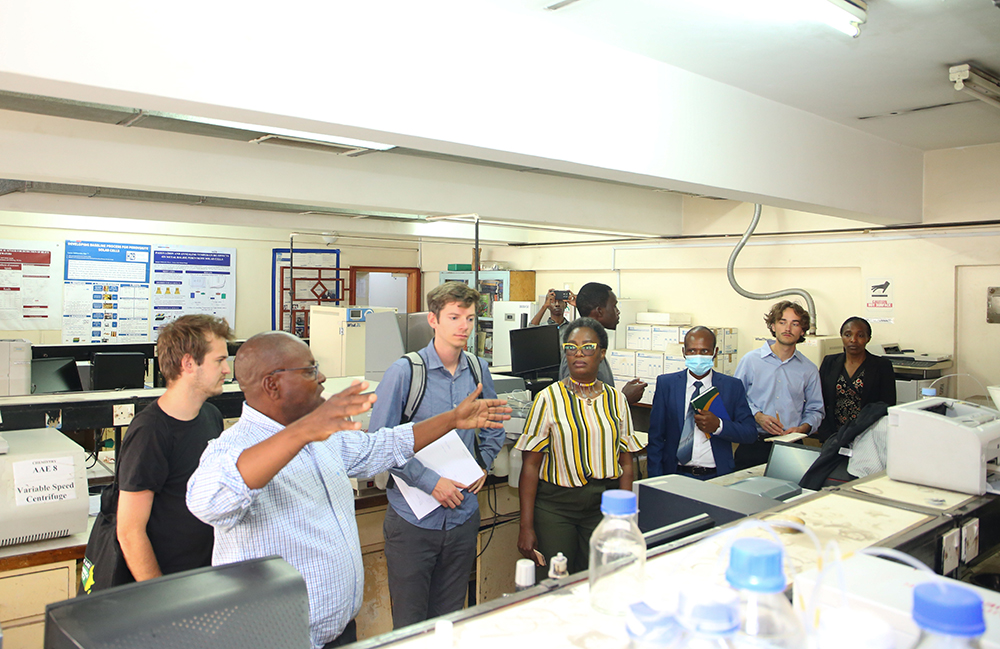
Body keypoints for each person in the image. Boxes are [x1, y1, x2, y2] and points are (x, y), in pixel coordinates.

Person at [186, 332, 509, 649]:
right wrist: (302, 432)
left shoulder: (325, 437)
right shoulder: (231, 448)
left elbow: (383, 446)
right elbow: (209, 502)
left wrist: (451, 419)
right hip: (276, 639)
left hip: (337, 633)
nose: (322, 377)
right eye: (311, 370)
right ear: (272, 384)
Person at [368, 282, 506, 629]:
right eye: (454, 317)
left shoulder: (477, 369)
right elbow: (378, 444)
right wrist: (430, 483)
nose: (464, 326)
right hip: (413, 521)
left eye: (470, 318)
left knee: (449, 620)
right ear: (433, 319)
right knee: (411, 624)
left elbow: (493, 423)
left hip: (461, 517)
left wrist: (482, 465)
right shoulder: (405, 372)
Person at [516, 317, 644, 581]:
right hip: (556, 507)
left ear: (602, 353)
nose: (578, 354)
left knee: (598, 578)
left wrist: (623, 520)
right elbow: (530, 465)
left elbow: (627, 463)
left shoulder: (616, 400)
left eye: (588, 347)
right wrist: (525, 526)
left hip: (602, 506)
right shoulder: (548, 399)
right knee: (555, 582)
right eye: (571, 347)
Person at [114, 314, 234, 583]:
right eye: (219, 360)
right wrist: (160, 595)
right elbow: (130, 531)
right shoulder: (151, 432)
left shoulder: (210, 416)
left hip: (205, 578)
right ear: (189, 363)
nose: (227, 369)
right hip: (169, 586)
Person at [647, 326, 757, 479]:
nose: (698, 356)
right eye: (692, 351)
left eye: (704, 351)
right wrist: (655, 480)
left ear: (715, 352)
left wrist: (719, 425)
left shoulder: (731, 386)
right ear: (684, 352)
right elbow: (656, 437)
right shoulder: (667, 384)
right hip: (676, 474)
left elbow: (750, 433)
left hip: (716, 475)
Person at [733, 301, 824, 471]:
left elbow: (816, 410)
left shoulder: (809, 369)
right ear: (773, 326)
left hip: (792, 447)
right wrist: (757, 416)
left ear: (802, 331)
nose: (788, 328)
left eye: (795, 324)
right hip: (754, 442)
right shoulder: (751, 361)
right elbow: (735, 399)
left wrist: (803, 428)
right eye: (782, 322)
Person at [558, 282, 646, 404]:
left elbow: (598, 397)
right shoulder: (580, 354)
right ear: (599, 311)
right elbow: (580, 407)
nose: (618, 312)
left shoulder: (597, 347)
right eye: (614, 307)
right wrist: (624, 399)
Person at [816, 316, 896, 442]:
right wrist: (827, 436)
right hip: (833, 436)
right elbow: (820, 400)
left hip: (867, 436)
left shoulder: (882, 366)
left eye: (860, 335)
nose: (853, 340)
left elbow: (886, 405)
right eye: (848, 335)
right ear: (841, 336)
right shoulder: (829, 362)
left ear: (868, 338)